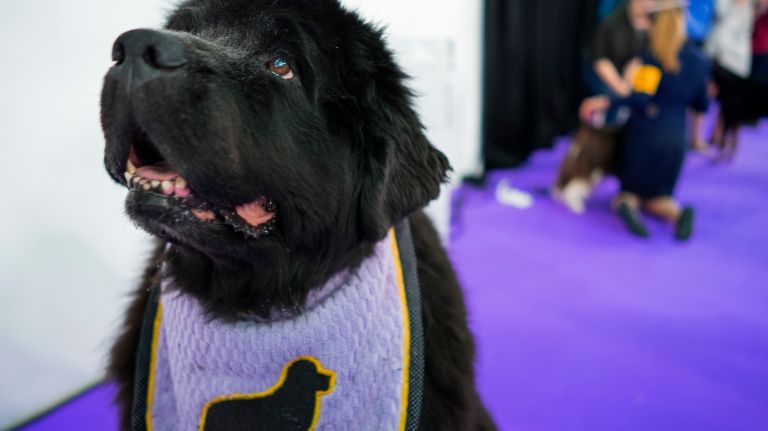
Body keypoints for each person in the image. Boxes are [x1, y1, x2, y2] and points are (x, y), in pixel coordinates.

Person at [581, 0, 711, 240]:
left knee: (627, 194)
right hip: (675, 143)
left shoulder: (650, 59)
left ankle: (628, 205)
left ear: (656, 23)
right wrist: (695, 140)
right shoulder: (699, 61)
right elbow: (701, 105)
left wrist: (603, 103)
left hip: (645, 139)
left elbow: (638, 99)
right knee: (660, 198)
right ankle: (676, 212)